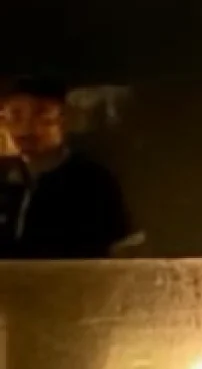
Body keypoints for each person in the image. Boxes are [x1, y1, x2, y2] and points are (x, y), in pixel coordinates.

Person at [1, 76, 137, 260]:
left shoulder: (93, 181)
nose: (26, 128)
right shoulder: (5, 179)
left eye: (42, 114)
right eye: (15, 115)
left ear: (64, 119)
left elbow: (120, 251)